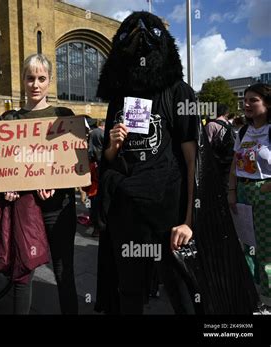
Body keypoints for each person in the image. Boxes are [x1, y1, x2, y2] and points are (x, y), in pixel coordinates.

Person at [95, 11, 258, 315]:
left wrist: (188, 220)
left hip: (168, 213)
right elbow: (107, 159)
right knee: (128, 290)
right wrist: (113, 147)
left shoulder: (177, 92)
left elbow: (193, 160)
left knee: (182, 287)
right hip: (127, 213)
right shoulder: (119, 99)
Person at [3, 53, 79, 314]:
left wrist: (57, 180)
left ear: (50, 82)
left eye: (41, 78)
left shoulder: (64, 115)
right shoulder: (11, 120)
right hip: (25, 208)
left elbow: (74, 160)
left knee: (63, 271)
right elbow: (3, 164)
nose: (35, 84)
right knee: (23, 273)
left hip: (59, 207)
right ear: (23, 80)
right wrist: (9, 185)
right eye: (30, 78)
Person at [228, 83, 271, 312]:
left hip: (265, 196)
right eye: (245, 100)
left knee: (267, 250)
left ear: (267, 104)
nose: (246, 104)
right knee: (247, 247)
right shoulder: (243, 131)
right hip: (243, 194)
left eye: (253, 100)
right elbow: (235, 162)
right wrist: (232, 191)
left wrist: (267, 187)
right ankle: (252, 295)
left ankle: (268, 302)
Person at [205, 104, 236, 191]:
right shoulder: (229, 124)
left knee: (216, 183)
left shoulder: (211, 124)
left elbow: (207, 144)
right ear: (226, 113)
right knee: (226, 181)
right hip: (230, 157)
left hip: (217, 159)